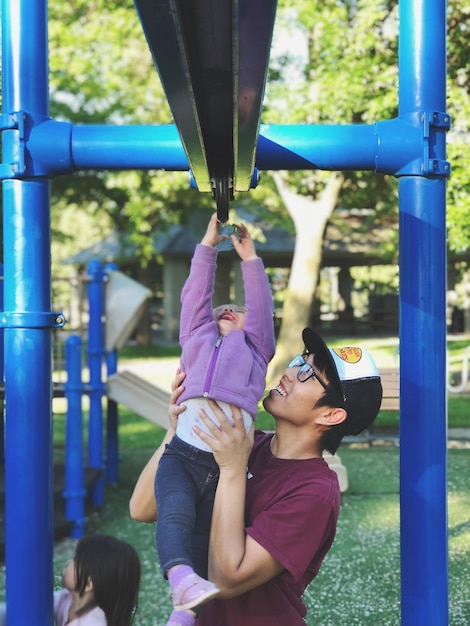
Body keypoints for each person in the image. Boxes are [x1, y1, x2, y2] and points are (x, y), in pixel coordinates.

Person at [130, 327, 382, 625]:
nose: (290, 373)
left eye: (307, 374)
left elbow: (226, 579)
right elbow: (143, 508)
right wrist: (177, 431)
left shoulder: (314, 492)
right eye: (299, 362)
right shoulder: (244, 443)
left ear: (330, 415)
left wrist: (233, 470)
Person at [154, 213, 276, 626]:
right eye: (221, 308)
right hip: (182, 455)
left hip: (224, 468)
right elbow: (195, 297)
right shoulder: (196, 337)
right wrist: (206, 249)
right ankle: (179, 579)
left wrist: (249, 259)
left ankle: (185, 614)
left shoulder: (256, 349)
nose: (228, 310)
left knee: (207, 540)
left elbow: (259, 310)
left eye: (237, 311)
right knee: (174, 515)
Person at [0, 534, 141, 626]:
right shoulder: (66, 599)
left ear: (87, 584)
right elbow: (28, 608)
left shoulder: (94, 622)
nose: (68, 562)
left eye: (75, 560)